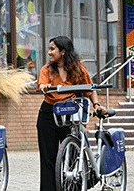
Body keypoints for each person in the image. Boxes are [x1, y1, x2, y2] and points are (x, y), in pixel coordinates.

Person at [36, 36, 106, 191]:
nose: (49, 52)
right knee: (48, 159)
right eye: (49, 49)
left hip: (71, 113)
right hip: (49, 113)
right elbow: (41, 84)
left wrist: (97, 105)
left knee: (73, 158)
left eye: (52, 49)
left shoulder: (78, 69)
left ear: (63, 51)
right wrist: (44, 87)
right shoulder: (46, 70)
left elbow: (90, 89)